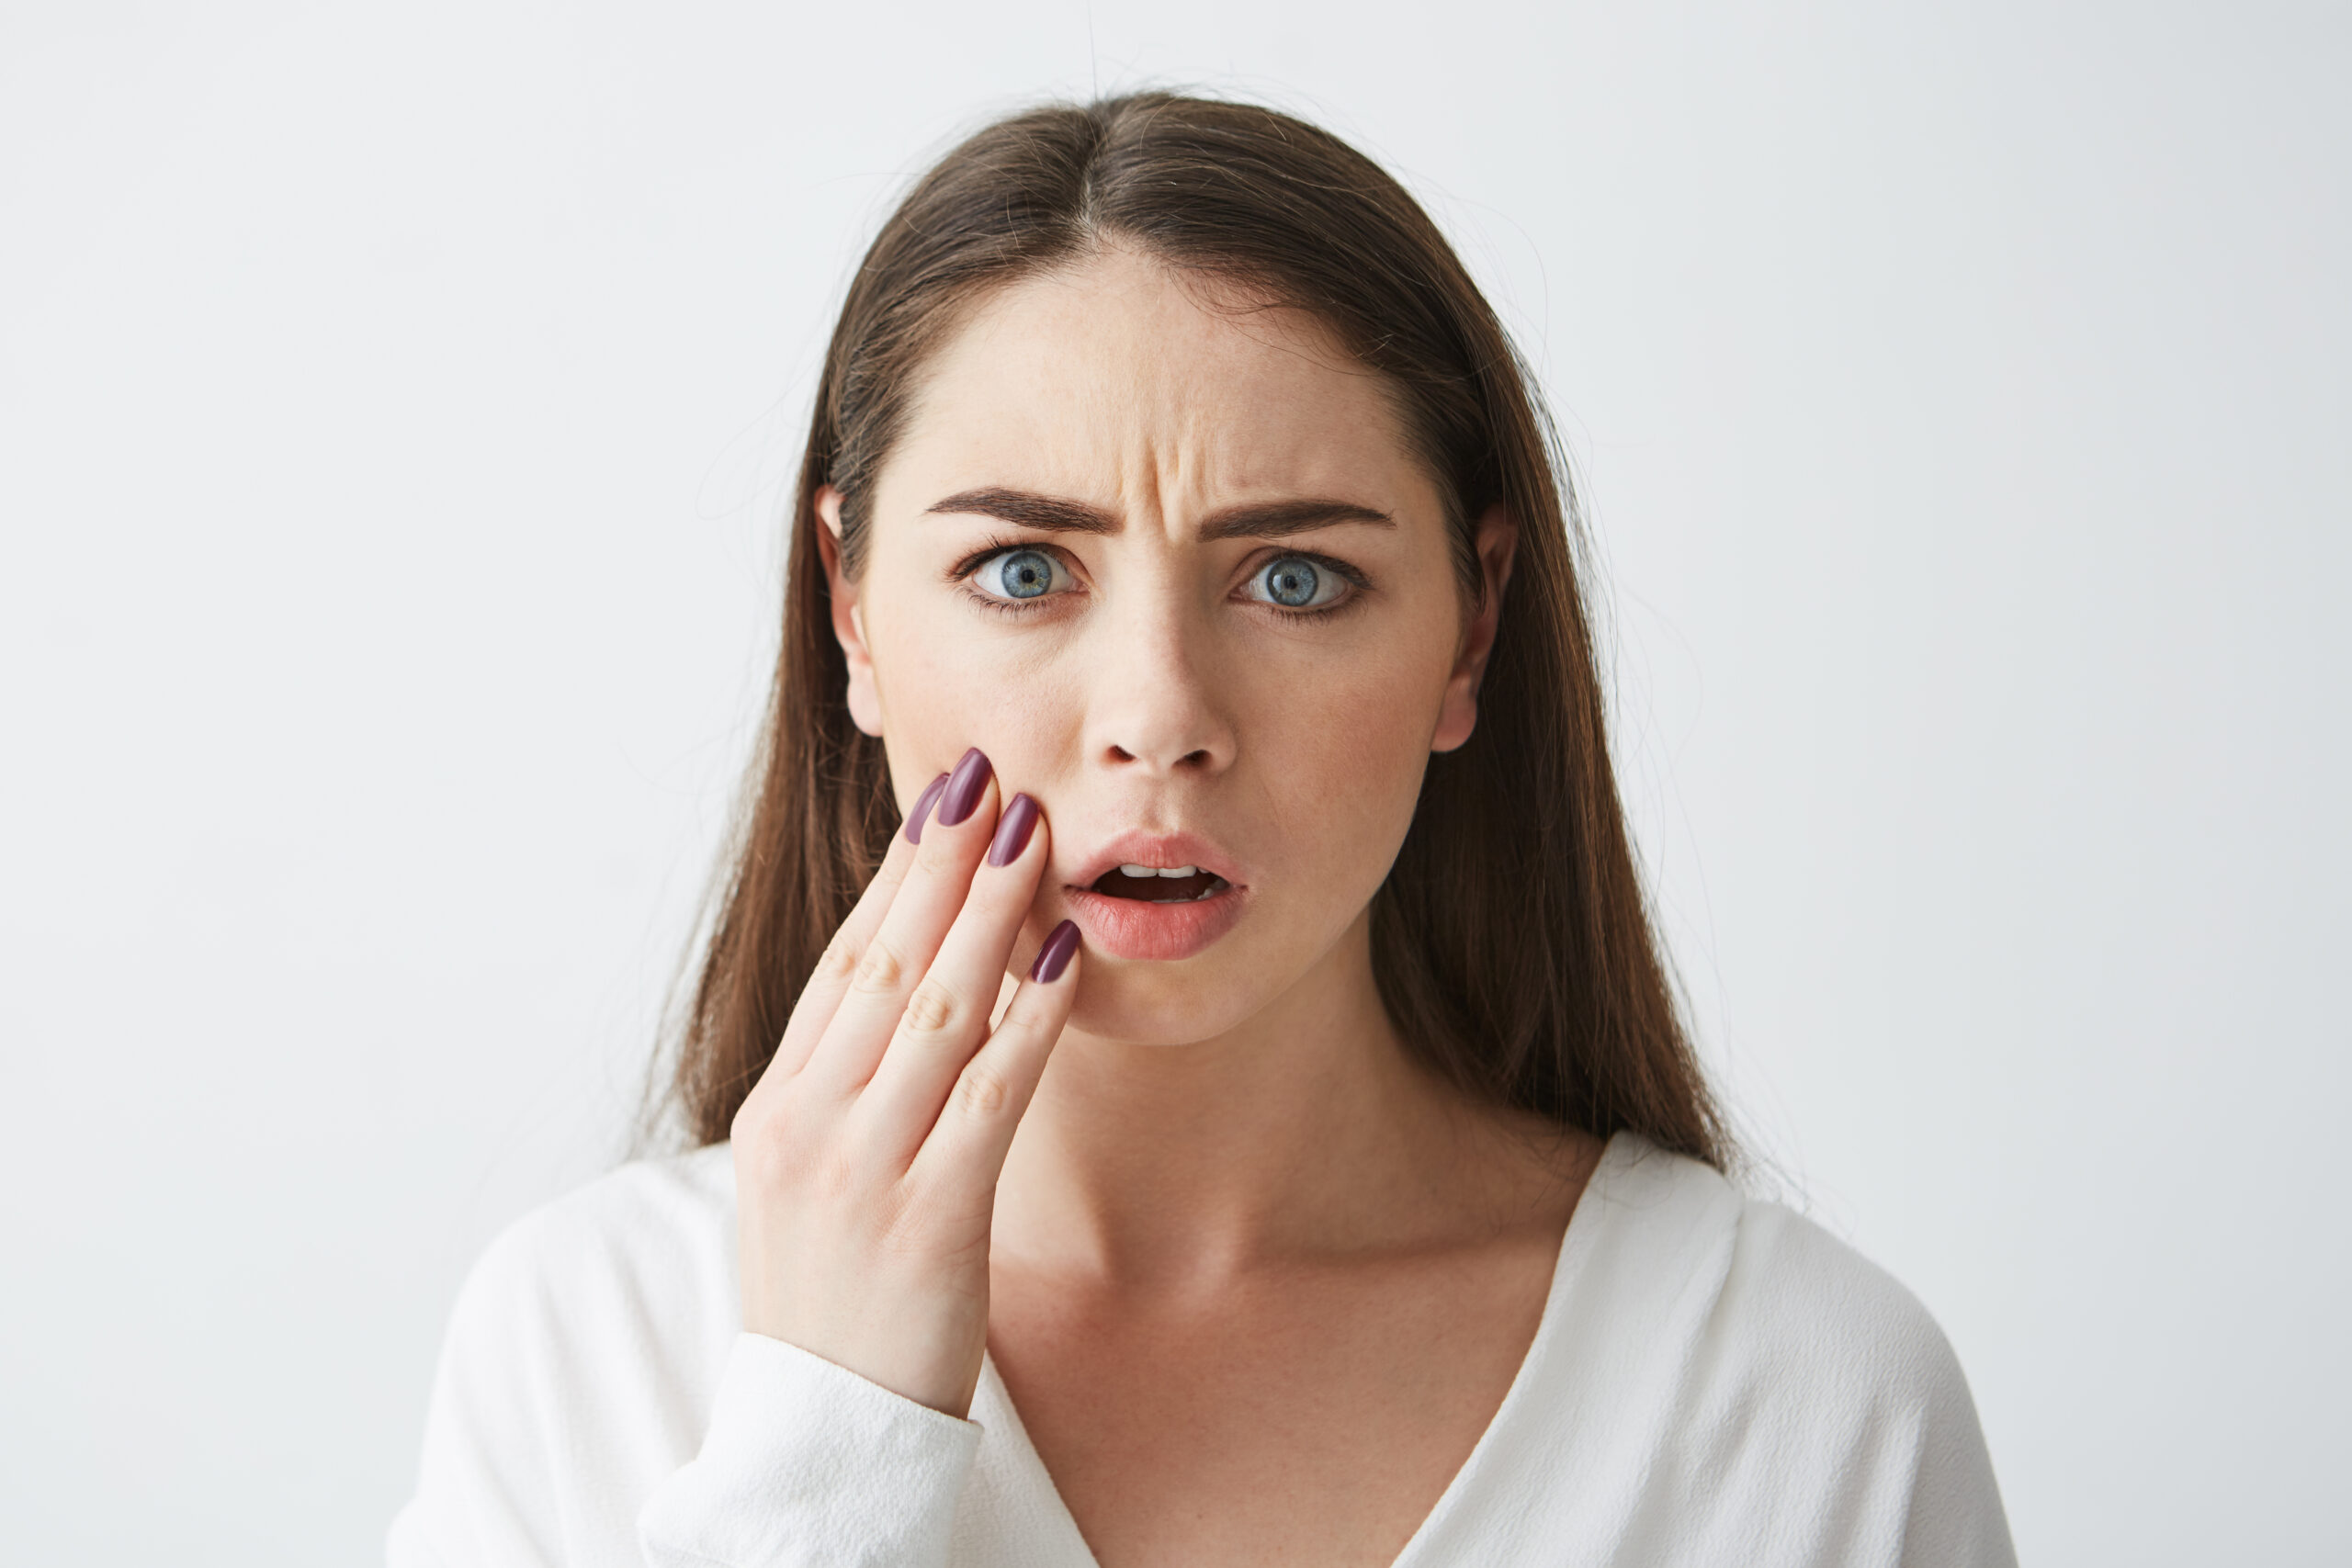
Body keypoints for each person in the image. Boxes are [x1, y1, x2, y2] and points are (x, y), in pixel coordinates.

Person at [388, 92, 2015, 1567]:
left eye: (1295, 579)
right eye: (1025, 573)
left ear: (1470, 626)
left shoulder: (1810, 1401)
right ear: (851, 612)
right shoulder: (588, 1346)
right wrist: (825, 1440)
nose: (1159, 714)